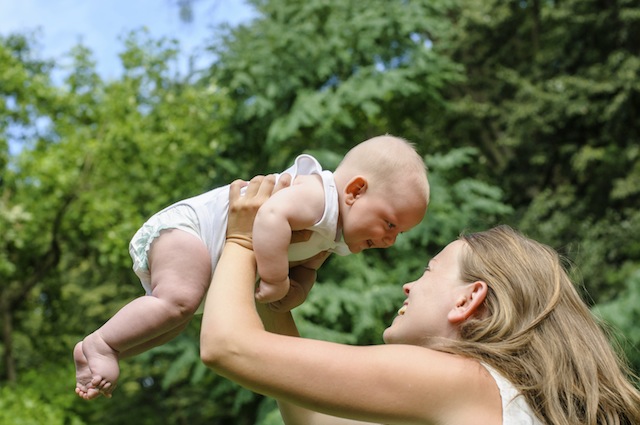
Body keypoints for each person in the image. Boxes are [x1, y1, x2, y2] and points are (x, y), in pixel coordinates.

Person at [200, 175, 640, 425]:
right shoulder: (505, 400)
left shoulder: (464, 382)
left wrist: (241, 238)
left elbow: (227, 346)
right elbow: (319, 422)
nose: (409, 285)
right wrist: (275, 302)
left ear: (469, 299)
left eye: (429, 271)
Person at [73, 135, 430, 399]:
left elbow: (308, 265)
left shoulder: (335, 235)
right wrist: (275, 280)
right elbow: (271, 217)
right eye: (390, 224)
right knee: (179, 300)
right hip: (191, 230)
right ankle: (102, 342)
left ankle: (111, 350)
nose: (391, 240)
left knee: (179, 314)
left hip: (207, 254)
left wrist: (300, 288)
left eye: (399, 233)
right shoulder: (319, 197)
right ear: (355, 191)